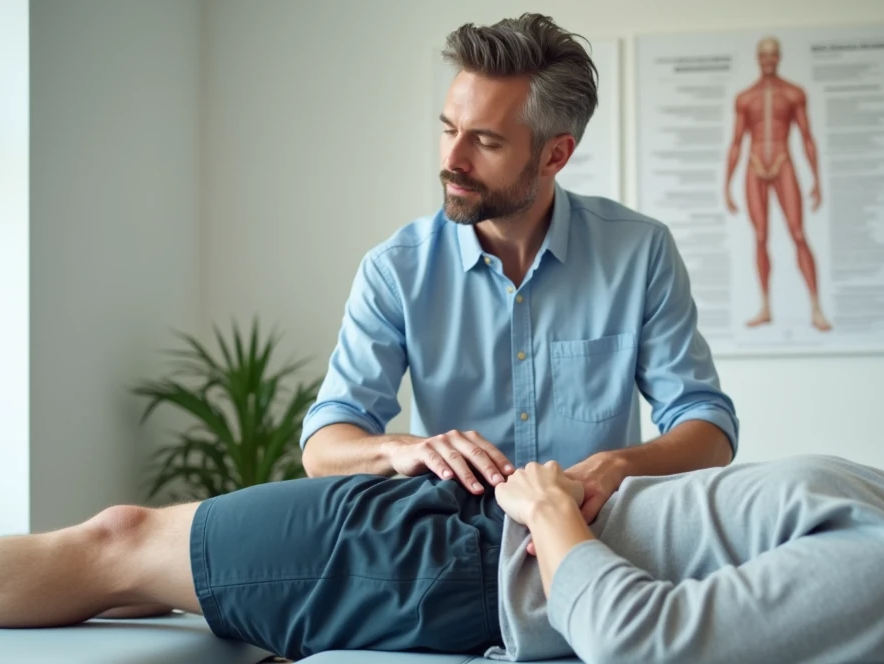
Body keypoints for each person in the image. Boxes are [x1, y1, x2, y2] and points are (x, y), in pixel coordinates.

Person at [0, 454, 884, 664]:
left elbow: (642, 637)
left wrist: (554, 509)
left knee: (117, 544)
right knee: (121, 548)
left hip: (458, 568)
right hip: (473, 525)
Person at [300, 13, 738, 528]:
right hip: (449, 550)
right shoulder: (395, 270)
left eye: (485, 142)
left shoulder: (640, 252)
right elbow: (323, 446)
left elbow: (709, 427)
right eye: (448, 130)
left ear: (555, 154)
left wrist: (618, 465)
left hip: (599, 542)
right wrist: (402, 451)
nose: (453, 160)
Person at [724, 36, 832, 333]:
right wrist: (727, 186)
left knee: (797, 233)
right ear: (758, 58)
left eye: (773, 55)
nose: (768, 60)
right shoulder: (745, 98)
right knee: (760, 236)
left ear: (779, 57)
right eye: (764, 55)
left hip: (783, 161)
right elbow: (735, 143)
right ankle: (766, 307)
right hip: (755, 165)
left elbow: (808, 138)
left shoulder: (793, 93)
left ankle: (815, 307)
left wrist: (817, 180)